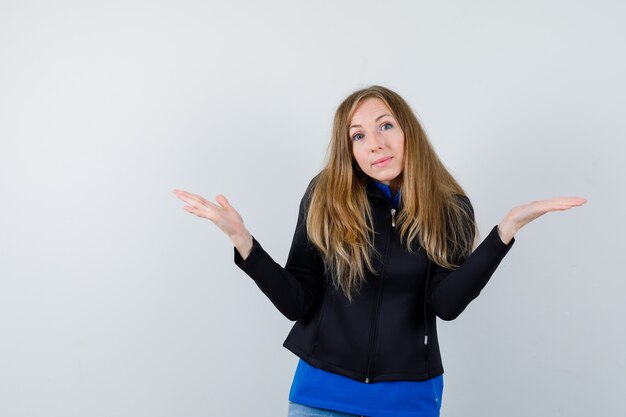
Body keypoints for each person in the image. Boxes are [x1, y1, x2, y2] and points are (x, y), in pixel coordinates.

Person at [172, 85, 586, 417]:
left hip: (408, 398)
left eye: (385, 126)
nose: (374, 144)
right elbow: (298, 301)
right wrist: (244, 242)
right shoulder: (326, 196)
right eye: (358, 135)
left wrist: (505, 231)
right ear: (349, 149)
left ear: (408, 131)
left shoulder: (449, 206)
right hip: (322, 395)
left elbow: (446, 304)